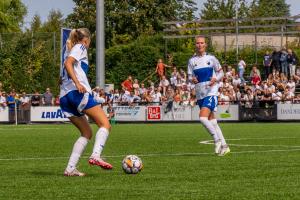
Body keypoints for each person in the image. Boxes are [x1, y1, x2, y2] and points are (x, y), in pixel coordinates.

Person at [60, 28, 112, 177]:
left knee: (87, 132)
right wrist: (77, 83)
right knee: (105, 124)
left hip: (64, 97)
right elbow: (68, 64)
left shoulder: (67, 50)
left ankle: (70, 168)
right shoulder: (80, 47)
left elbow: (63, 71)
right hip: (77, 93)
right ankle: (96, 155)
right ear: (86, 40)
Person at [187, 35, 229, 156]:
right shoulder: (191, 61)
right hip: (200, 94)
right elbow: (190, 76)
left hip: (211, 92)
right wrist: (192, 79)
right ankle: (225, 146)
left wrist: (215, 79)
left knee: (202, 118)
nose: (199, 45)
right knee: (213, 121)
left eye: (202, 43)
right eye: (197, 43)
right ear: (195, 45)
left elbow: (221, 72)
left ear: (205, 45)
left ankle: (217, 140)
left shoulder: (212, 58)